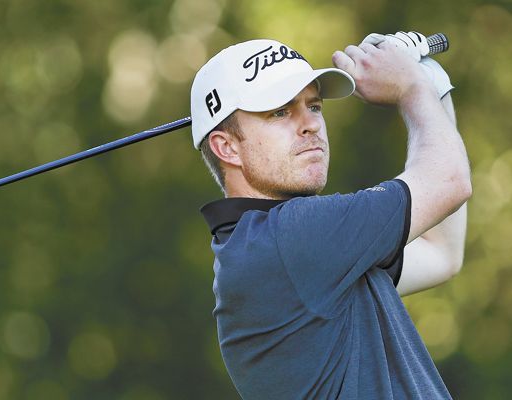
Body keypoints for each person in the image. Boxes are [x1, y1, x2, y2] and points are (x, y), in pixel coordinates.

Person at [191, 31, 471, 399]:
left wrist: (432, 87)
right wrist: (412, 87)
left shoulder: (267, 250)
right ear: (227, 146)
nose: (309, 124)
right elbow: (448, 180)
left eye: (315, 106)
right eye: (279, 111)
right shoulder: (290, 238)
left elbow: (440, 252)